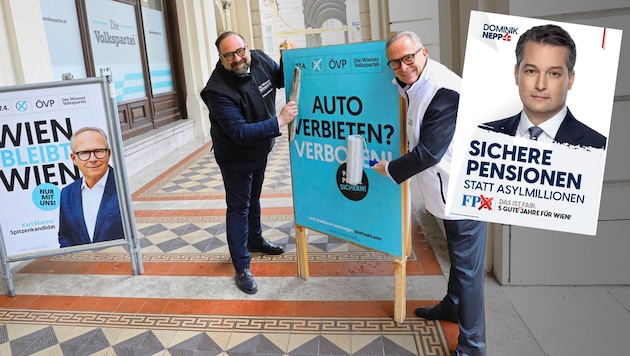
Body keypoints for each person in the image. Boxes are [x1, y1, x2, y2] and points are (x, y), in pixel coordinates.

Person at [374, 31, 487, 356]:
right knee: (460, 262)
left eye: (408, 57)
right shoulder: (414, 81)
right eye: (395, 61)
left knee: (468, 273)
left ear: (423, 52)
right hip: (445, 192)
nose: (403, 66)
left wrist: (390, 169)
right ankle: (452, 306)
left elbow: (429, 153)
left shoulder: (443, 91)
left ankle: (473, 348)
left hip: (463, 193)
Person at [200, 31, 298, 295]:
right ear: (220, 58)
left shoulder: (259, 60)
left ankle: (255, 239)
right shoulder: (216, 91)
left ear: (247, 48)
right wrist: (280, 120)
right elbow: (240, 132)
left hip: (260, 149)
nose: (237, 58)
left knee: (254, 198)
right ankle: (242, 266)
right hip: (235, 156)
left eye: (240, 51)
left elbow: (278, 78)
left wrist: (285, 57)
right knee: (239, 207)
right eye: (229, 55)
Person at [480, 24, 606, 149]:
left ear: (570, 79)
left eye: (554, 74)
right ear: (516, 74)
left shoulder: (599, 146)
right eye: (531, 71)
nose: (540, 85)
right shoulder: (482, 136)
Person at [58, 126, 124, 247]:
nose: (92, 159)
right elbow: (64, 236)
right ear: (74, 158)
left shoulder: (125, 187)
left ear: (108, 153)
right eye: (84, 153)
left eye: (98, 151)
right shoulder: (67, 193)